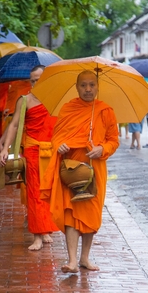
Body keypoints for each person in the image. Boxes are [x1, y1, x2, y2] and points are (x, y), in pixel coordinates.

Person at [40, 70, 119, 274]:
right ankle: (72, 260)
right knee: (70, 213)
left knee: (91, 213)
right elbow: (56, 137)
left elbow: (113, 140)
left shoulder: (105, 110)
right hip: (71, 168)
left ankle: (84, 258)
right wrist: (61, 146)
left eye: (92, 85)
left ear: (97, 87)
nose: (88, 89)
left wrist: (102, 149)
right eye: (83, 85)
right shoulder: (69, 108)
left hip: (95, 167)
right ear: (77, 87)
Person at [0, 66, 59, 251]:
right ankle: (37, 236)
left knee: (49, 192)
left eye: (40, 79)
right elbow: (14, 125)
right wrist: (5, 148)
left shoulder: (56, 100)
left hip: (52, 151)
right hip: (32, 150)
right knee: (34, 193)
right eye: (33, 80)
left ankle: (46, 229)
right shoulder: (24, 101)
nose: (36, 83)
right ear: (29, 82)